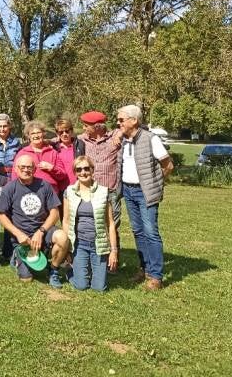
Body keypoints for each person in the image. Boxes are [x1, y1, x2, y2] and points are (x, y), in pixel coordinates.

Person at [116, 105, 173, 291]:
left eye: (121, 120)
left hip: (145, 192)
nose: (118, 123)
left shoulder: (150, 139)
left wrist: (156, 183)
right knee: (138, 231)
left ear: (134, 120)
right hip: (128, 191)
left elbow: (168, 165)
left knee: (150, 232)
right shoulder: (123, 140)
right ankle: (145, 269)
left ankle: (156, 276)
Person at [0, 153, 69, 287]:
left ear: (35, 169)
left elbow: (55, 213)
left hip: (42, 232)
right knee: (27, 279)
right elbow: (1, 216)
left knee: (62, 238)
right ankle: (17, 255)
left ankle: (53, 269)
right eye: (22, 167)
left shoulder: (45, 186)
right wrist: (18, 234)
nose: (26, 170)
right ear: (16, 169)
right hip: (22, 238)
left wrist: (41, 231)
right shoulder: (9, 188)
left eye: (29, 167)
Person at [62, 156, 118, 291]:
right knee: (81, 286)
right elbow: (66, 221)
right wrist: (66, 249)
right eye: (79, 169)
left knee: (99, 288)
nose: (83, 172)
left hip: (98, 245)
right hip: (79, 244)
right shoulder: (69, 192)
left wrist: (113, 251)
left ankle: (91, 271)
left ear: (92, 170)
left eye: (86, 168)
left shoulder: (104, 192)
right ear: (75, 173)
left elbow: (110, 224)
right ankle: (71, 272)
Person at [78, 111, 122, 239]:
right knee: (93, 226)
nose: (83, 128)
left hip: (110, 191)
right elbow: (63, 140)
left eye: (86, 125)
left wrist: (120, 134)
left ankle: (113, 250)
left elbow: (130, 128)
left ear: (97, 126)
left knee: (112, 225)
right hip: (92, 190)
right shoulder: (82, 139)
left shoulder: (113, 137)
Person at [0, 113, 21, 262]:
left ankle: (9, 251)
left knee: (10, 214)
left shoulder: (16, 142)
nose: (2, 129)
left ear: (9, 126)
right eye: (0, 126)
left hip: (12, 179)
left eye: (5, 126)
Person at [12, 120, 68, 197]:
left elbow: (62, 175)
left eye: (38, 132)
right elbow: (15, 175)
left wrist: (51, 168)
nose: (36, 135)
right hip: (29, 193)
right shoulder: (22, 153)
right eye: (32, 133)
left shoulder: (52, 152)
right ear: (28, 136)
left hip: (51, 194)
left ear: (43, 134)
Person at [52, 118, 82, 185]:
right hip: (60, 187)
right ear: (57, 133)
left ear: (71, 131)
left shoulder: (79, 145)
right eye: (61, 132)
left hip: (78, 185)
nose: (64, 134)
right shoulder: (54, 148)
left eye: (67, 131)